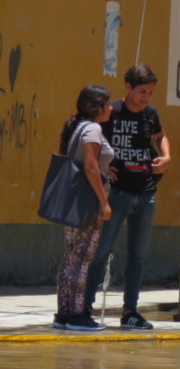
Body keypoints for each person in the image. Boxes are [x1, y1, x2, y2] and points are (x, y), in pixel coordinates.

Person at [84, 64, 171, 330]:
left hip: (145, 193)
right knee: (101, 253)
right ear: (128, 87)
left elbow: (161, 136)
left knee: (138, 255)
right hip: (116, 194)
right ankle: (85, 308)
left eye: (150, 92)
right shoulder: (112, 112)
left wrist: (166, 156)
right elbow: (91, 140)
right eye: (142, 91)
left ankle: (130, 311)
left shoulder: (151, 113)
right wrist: (101, 166)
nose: (146, 97)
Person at [54, 86, 114, 331]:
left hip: (73, 202)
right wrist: (104, 202)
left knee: (71, 257)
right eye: (107, 104)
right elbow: (90, 167)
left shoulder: (77, 126)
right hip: (87, 203)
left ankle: (64, 314)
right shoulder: (92, 128)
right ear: (96, 107)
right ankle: (77, 315)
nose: (111, 108)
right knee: (83, 258)